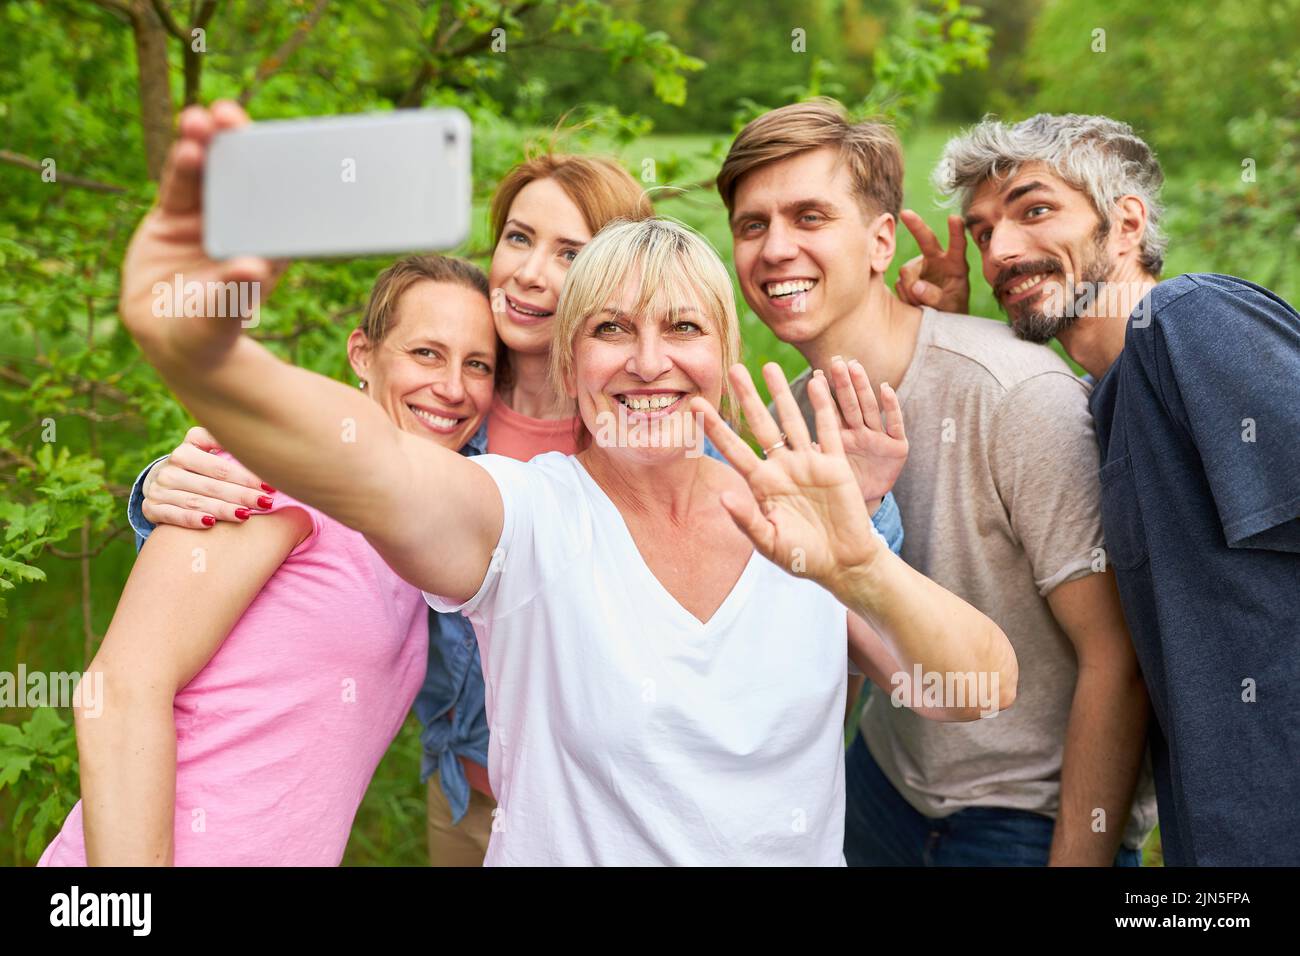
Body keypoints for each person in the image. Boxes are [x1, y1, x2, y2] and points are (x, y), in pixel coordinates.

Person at [114, 100, 1017, 866]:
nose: (651, 361)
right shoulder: (524, 505)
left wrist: (858, 565)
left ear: (729, 352)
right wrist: (208, 356)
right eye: (613, 330)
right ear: (573, 357)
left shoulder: (809, 510)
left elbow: (978, 689)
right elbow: (370, 456)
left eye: (685, 328)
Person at [717, 98, 1157, 865]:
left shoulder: (1014, 392)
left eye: (810, 217)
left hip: (1022, 820)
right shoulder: (790, 421)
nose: (775, 248)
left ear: (881, 239)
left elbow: (1116, 659)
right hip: (883, 786)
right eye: (753, 225)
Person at [904, 112, 1300, 866]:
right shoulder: (1103, 405)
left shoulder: (1188, 323)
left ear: (1125, 224)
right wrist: (952, 337)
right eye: (984, 232)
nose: (1004, 250)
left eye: (1035, 209)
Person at [39, 254, 499, 866]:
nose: (453, 387)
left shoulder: (426, 530)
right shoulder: (278, 470)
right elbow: (119, 691)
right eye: (426, 353)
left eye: (478, 365)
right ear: (362, 354)